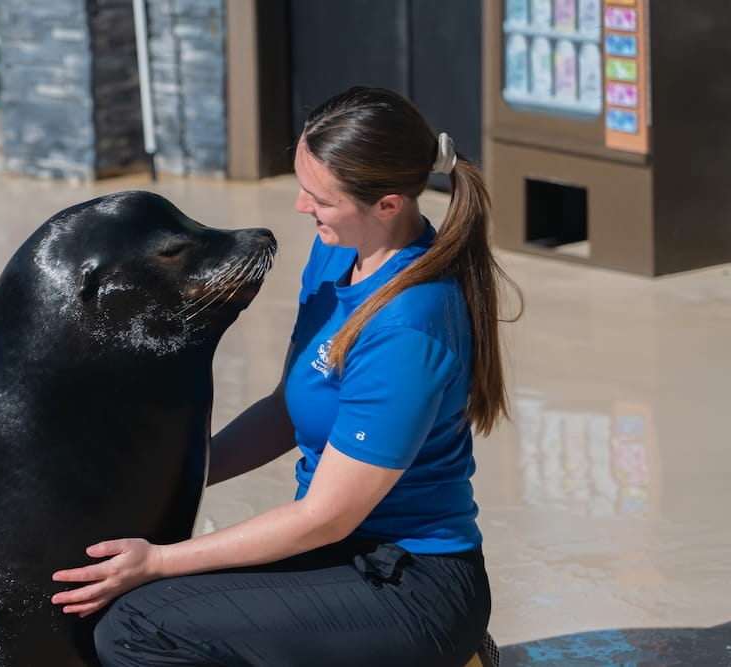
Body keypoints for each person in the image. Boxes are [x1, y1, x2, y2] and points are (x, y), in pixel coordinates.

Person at [50, 86, 519, 666]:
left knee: (137, 627)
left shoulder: (408, 326)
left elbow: (326, 516)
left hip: (409, 584)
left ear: (388, 204)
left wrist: (160, 560)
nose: (300, 206)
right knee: (139, 603)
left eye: (319, 196)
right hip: (340, 555)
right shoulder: (337, 253)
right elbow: (285, 408)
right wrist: (180, 475)